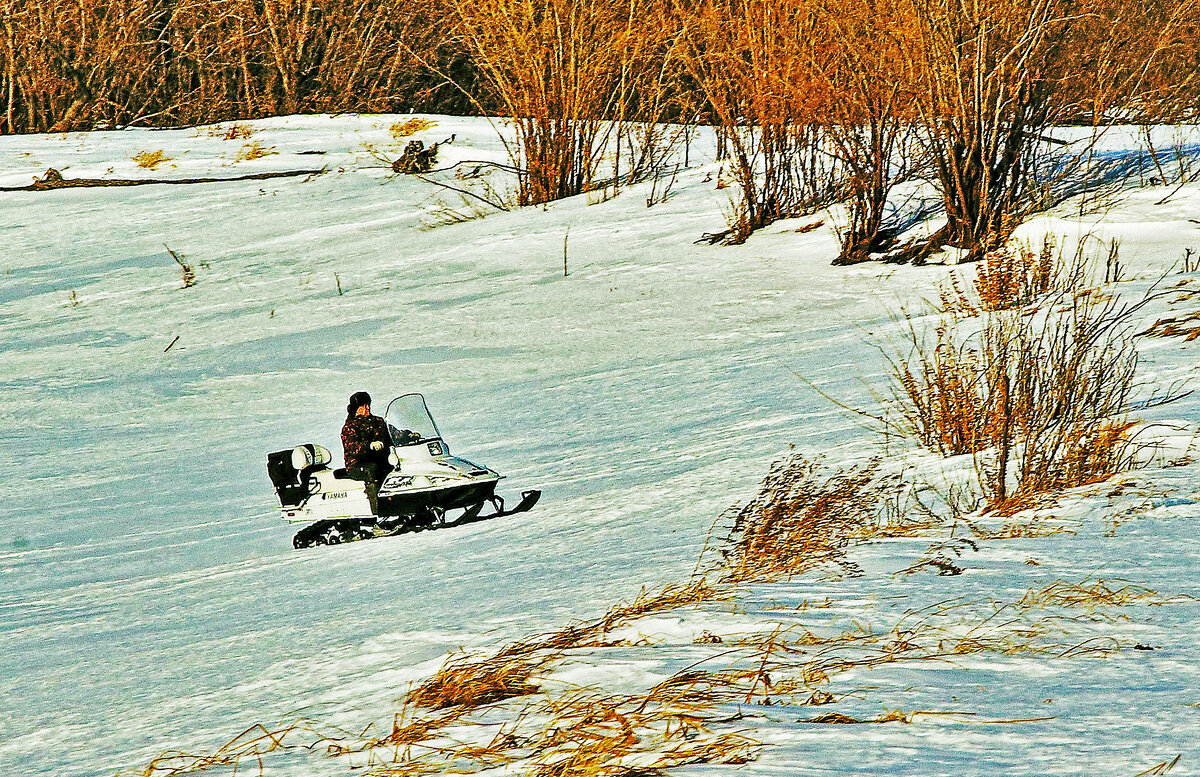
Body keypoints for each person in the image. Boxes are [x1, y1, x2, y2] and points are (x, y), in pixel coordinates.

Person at [341, 391, 391, 514]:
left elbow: (390, 434)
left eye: (368, 404)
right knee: (371, 469)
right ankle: (377, 511)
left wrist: (407, 435)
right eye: (363, 406)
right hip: (357, 464)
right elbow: (352, 448)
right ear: (356, 408)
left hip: (380, 460)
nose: (367, 408)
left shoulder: (378, 421)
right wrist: (369, 446)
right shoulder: (350, 427)